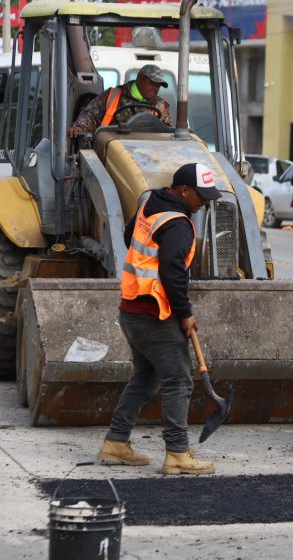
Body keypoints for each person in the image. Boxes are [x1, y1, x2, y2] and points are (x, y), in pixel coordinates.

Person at [97, 162, 221, 475]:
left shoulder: (150, 206)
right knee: (178, 380)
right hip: (156, 313)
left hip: (132, 309)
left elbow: (130, 239)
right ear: (183, 191)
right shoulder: (178, 224)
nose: (204, 202)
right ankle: (178, 454)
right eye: (201, 196)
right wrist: (185, 313)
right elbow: (172, 271)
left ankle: (115, 443)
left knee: (145, 378)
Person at [69, 64, 174, 137]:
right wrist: (80, 126)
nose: (156, 88)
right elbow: (90, 115)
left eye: (159, 85)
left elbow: (168, 134)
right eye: (153, 83)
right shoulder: (112, 95)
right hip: (110, 151)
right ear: (141, 78)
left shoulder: (161, 107)